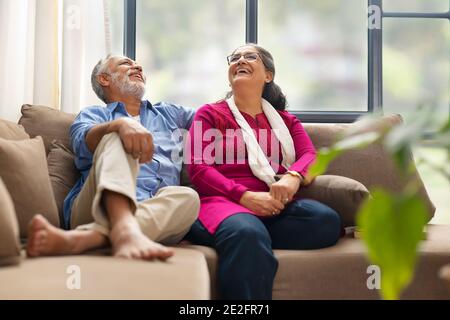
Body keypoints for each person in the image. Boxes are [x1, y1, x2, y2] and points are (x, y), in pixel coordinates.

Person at [184, 44, 342, 299]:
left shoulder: (286, 121)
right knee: (245, 232)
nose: (240, 60)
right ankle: (247, 238)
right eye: (234, 58)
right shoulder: (210, 114)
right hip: (222, 202)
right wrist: (245, 197)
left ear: (268, 75)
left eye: (249, 56)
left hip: (273, 202)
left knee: (326, 221)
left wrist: (293, 178)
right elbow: (198, 168)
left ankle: (252, 239)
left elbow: (310, 156)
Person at [26, 55, 200, 260]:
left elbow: (214, 117)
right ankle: (124, 229)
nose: (138, 66)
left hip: (157, 212)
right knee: (115, 137)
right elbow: (82, 143)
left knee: (188, 197)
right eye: (126, 63)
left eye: (138, 65)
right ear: (104, 79)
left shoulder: (169, 113)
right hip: (95, 208)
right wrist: (120, 125)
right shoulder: (94, 115)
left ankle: (84, 239)